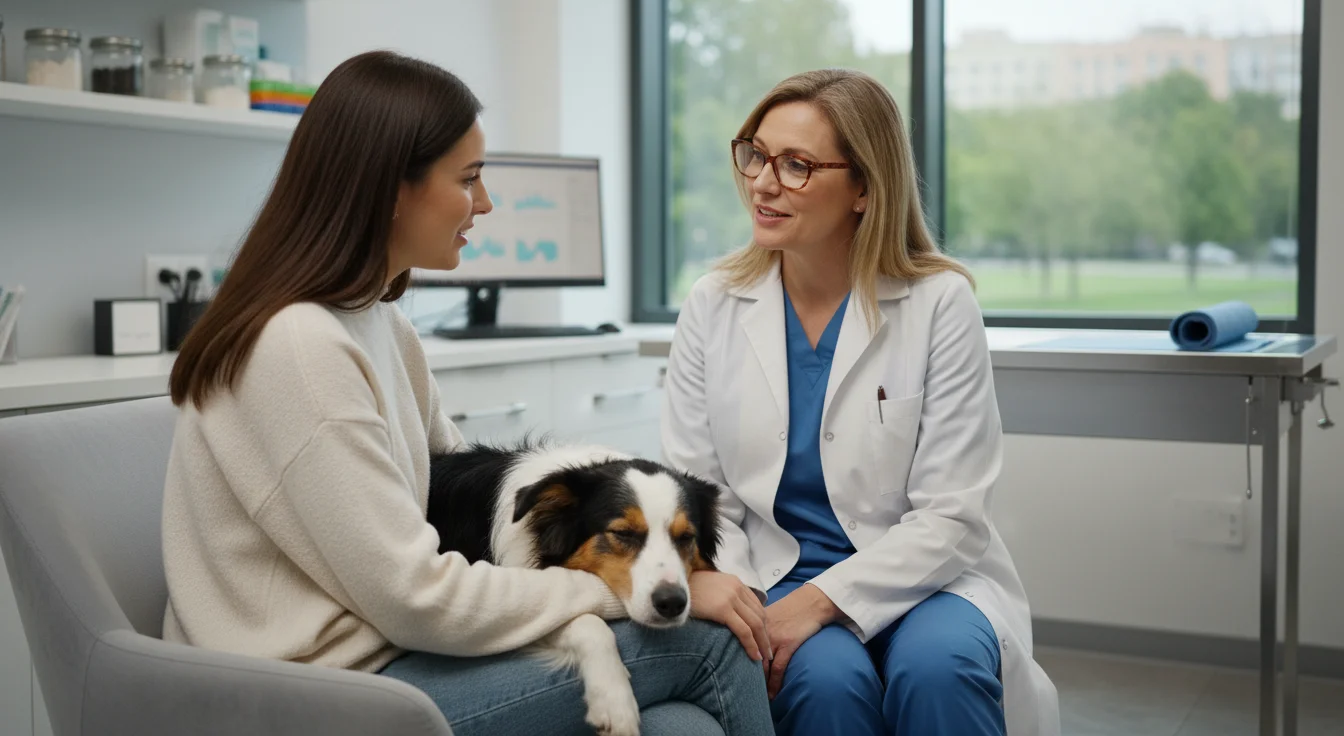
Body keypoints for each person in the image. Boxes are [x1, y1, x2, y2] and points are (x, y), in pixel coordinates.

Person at [161, 50, 772, 736]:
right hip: (308, 692)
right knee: (710, 642)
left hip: (390, 656)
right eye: (470, 178)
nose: (485, 204)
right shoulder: (299, 347)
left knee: (681, 726)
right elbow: (414, 595)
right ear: (392, 187)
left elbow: (459, 487)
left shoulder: (378, 323)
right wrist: (620, 586)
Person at [663, 68, 1062, 736]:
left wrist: (825, 600)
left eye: (796, 165)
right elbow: (700, 497)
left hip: (928, 577)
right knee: (822, 681)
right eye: (756, 154)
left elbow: (952, 516)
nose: (762, 181)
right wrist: (746, 596)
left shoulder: (940, 304)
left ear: (864, 188)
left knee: (940, 668)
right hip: (772, 572)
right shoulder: (713, 304)